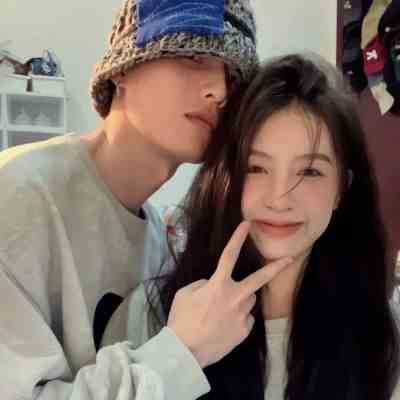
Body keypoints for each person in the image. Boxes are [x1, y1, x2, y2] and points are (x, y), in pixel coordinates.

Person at [0, 1, 258, 399]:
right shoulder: (16, 196)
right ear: (123, 68)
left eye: (233, 78)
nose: (219, 91)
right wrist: (182, 354)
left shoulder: (159, 244)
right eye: (193, 56)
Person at [103, 53, 400, 400]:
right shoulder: (152, 314)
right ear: (227, 178)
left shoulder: (383, 332)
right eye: (256, 168)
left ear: (341, 190)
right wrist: (181, 352)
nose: (279, 199)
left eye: (309, 171)